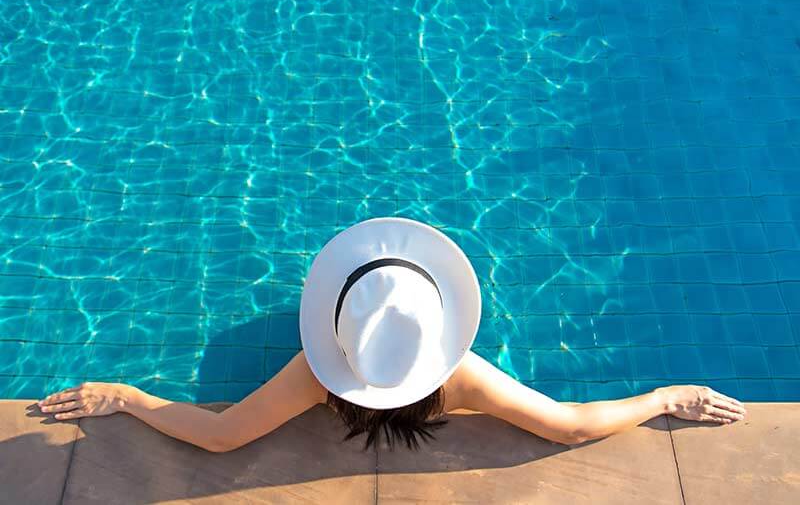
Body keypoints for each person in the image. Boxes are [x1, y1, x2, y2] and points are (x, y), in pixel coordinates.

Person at [37, 218, 746, 452]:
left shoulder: (315, 376)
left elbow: (223, 437)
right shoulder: (460, 376)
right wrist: (663, 394)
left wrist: (127, 395)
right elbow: (568, 425)